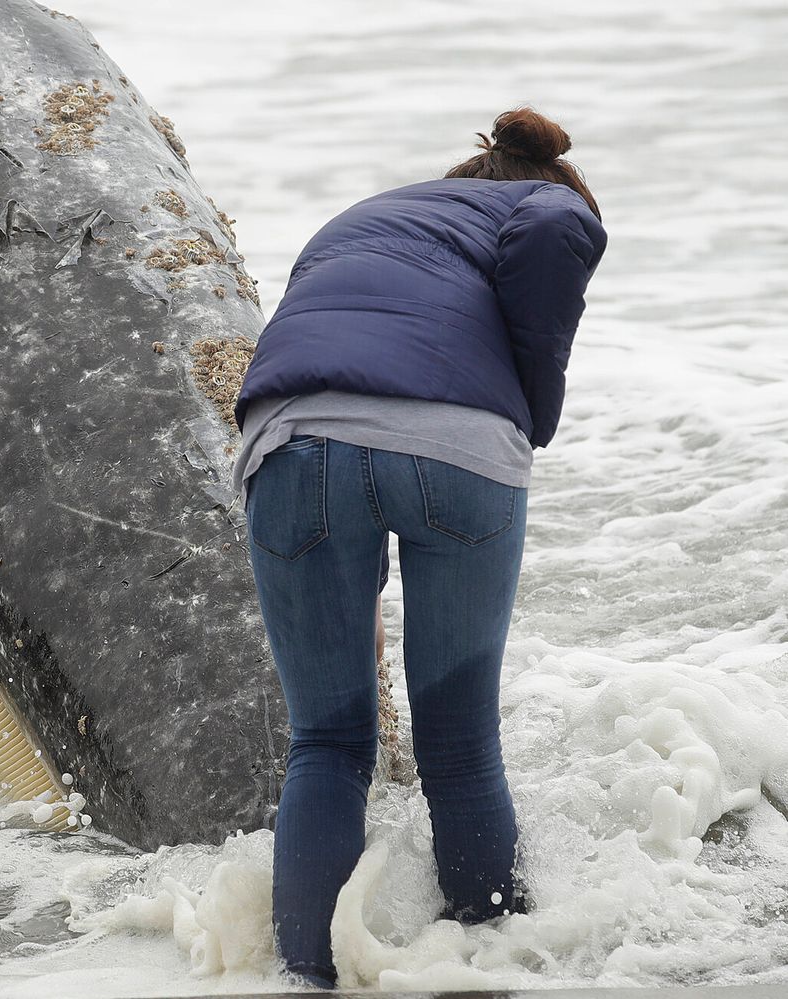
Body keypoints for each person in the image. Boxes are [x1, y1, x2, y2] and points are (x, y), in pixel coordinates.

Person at [232, 107, 607, 988]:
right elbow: (560, 225)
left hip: (293, 444)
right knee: (461, 745)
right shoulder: (540, 207)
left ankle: (304, 976)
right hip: (456, 451)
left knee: (325, 740)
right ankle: (492, 966)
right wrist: (535, 407)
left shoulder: (367, 217)